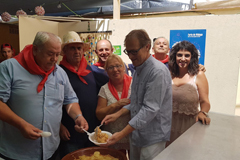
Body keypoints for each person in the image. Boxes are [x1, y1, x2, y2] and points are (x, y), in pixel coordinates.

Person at [0, 31, 88, 160]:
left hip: (51, 151)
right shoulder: (9, 68)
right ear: (35, 50)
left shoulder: (60, 73)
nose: (54, 59)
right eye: (50, 54)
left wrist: (78, 116)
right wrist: (21, 124)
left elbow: (70, 100)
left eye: (57, 55)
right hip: (17, 153)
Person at [101, 29, 172, 160]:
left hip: (153, 136)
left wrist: (122, 134)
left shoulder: (157, 72)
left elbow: (150, 109)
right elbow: (134, 101)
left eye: (134, 51)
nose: (131, 56)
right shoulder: (138, 69)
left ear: (147, 47)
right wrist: (116, 114)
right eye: (128, 51)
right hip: (136, 134)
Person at [58, 31, 99, 158]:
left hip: (92, 128)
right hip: (71, 130)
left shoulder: (89, 69)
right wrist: (59, 126)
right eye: (72, 48)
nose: (77, 52)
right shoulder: (59, 72)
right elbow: (53, 102)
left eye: (79, 48)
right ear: (65, 51)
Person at [166, 40, 211, 147]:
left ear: (192, 57)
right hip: (168, 125)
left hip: (188, 125)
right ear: (174, 56)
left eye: (187, 55)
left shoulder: (199, 75)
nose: (182, 59)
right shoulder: (168, 74)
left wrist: (202, 113)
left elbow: (205, 102)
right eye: (179, 55)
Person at [96, 54, 132, 152]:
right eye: (111, 67)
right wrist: (116, 104)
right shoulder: (104, 89)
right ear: (106, 71)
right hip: (112, 137)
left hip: (132, 134)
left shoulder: (134, 84)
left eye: (118, 66)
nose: (115, 70)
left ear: (123, 67)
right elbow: (99, 115)